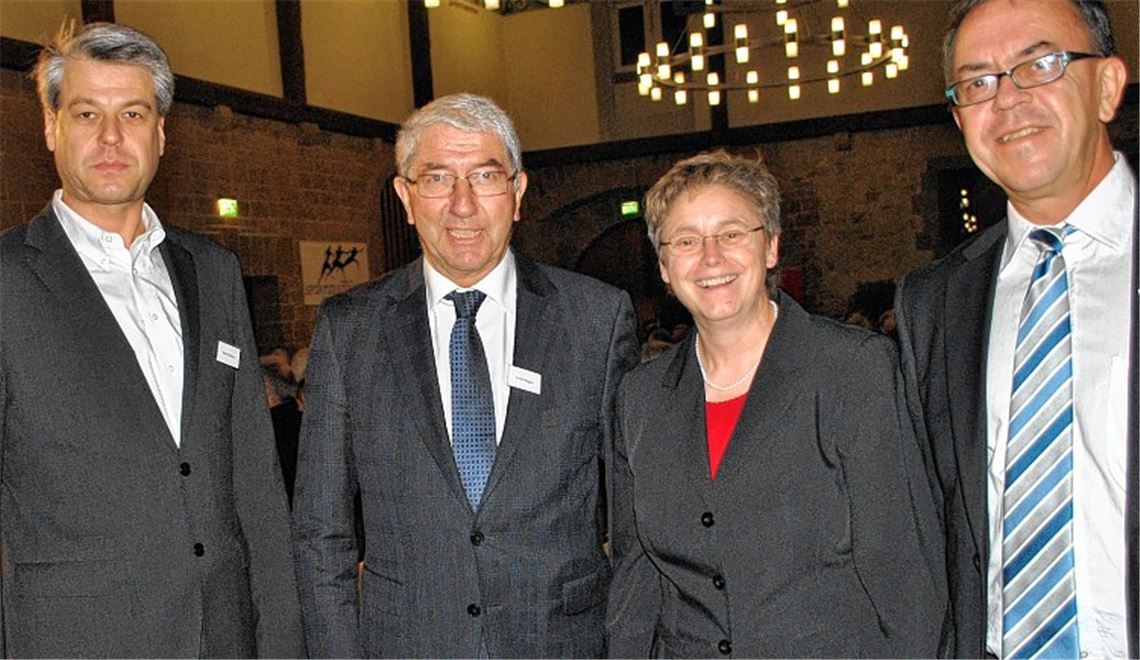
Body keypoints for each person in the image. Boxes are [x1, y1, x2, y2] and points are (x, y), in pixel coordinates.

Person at [291, 93, 640, 658]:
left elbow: (633, 524)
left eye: (484, 176)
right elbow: (320, 534)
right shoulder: (350, 330)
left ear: (518, 192)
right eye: (436, 178)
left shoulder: (596, 319)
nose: (462, 204)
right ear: (405, 198)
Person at [0, 21, 303, 657]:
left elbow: (254, 481)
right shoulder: (7, 281)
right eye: (87, 112)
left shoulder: (213, 272)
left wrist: (280, 641)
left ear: (161, 133)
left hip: (226, 640)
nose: (111, 137)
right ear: (51, 127)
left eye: (132, 113)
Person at [607, 150, 947, 657]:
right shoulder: (640, 398)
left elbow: (905, 577)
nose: (711, 257)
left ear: (770, 247)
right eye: (686, 241)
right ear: (663, 267)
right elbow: (636, 581)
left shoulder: (854, 370)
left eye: (732, 233)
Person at [894, 0, 1135, 656]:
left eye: (1040, 64)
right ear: (959, 119)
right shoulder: (935, 303)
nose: (1007, 99)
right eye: (978, 83)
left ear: (1108, 86)